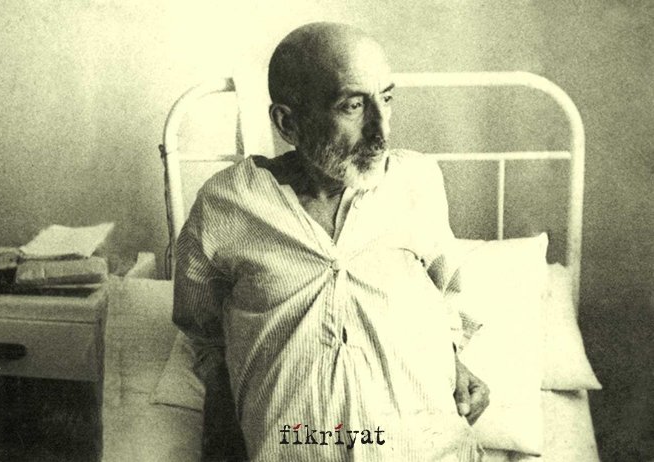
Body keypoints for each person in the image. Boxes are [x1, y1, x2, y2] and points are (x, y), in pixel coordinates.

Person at [173, 22, 490, 462]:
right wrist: (224, 424)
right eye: (353, 106)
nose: (381, 131)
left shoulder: (416, 182)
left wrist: (452, 361)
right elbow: (203, 331)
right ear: (288, 122)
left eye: (387, 99)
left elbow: (449, 294)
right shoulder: (228, 204)